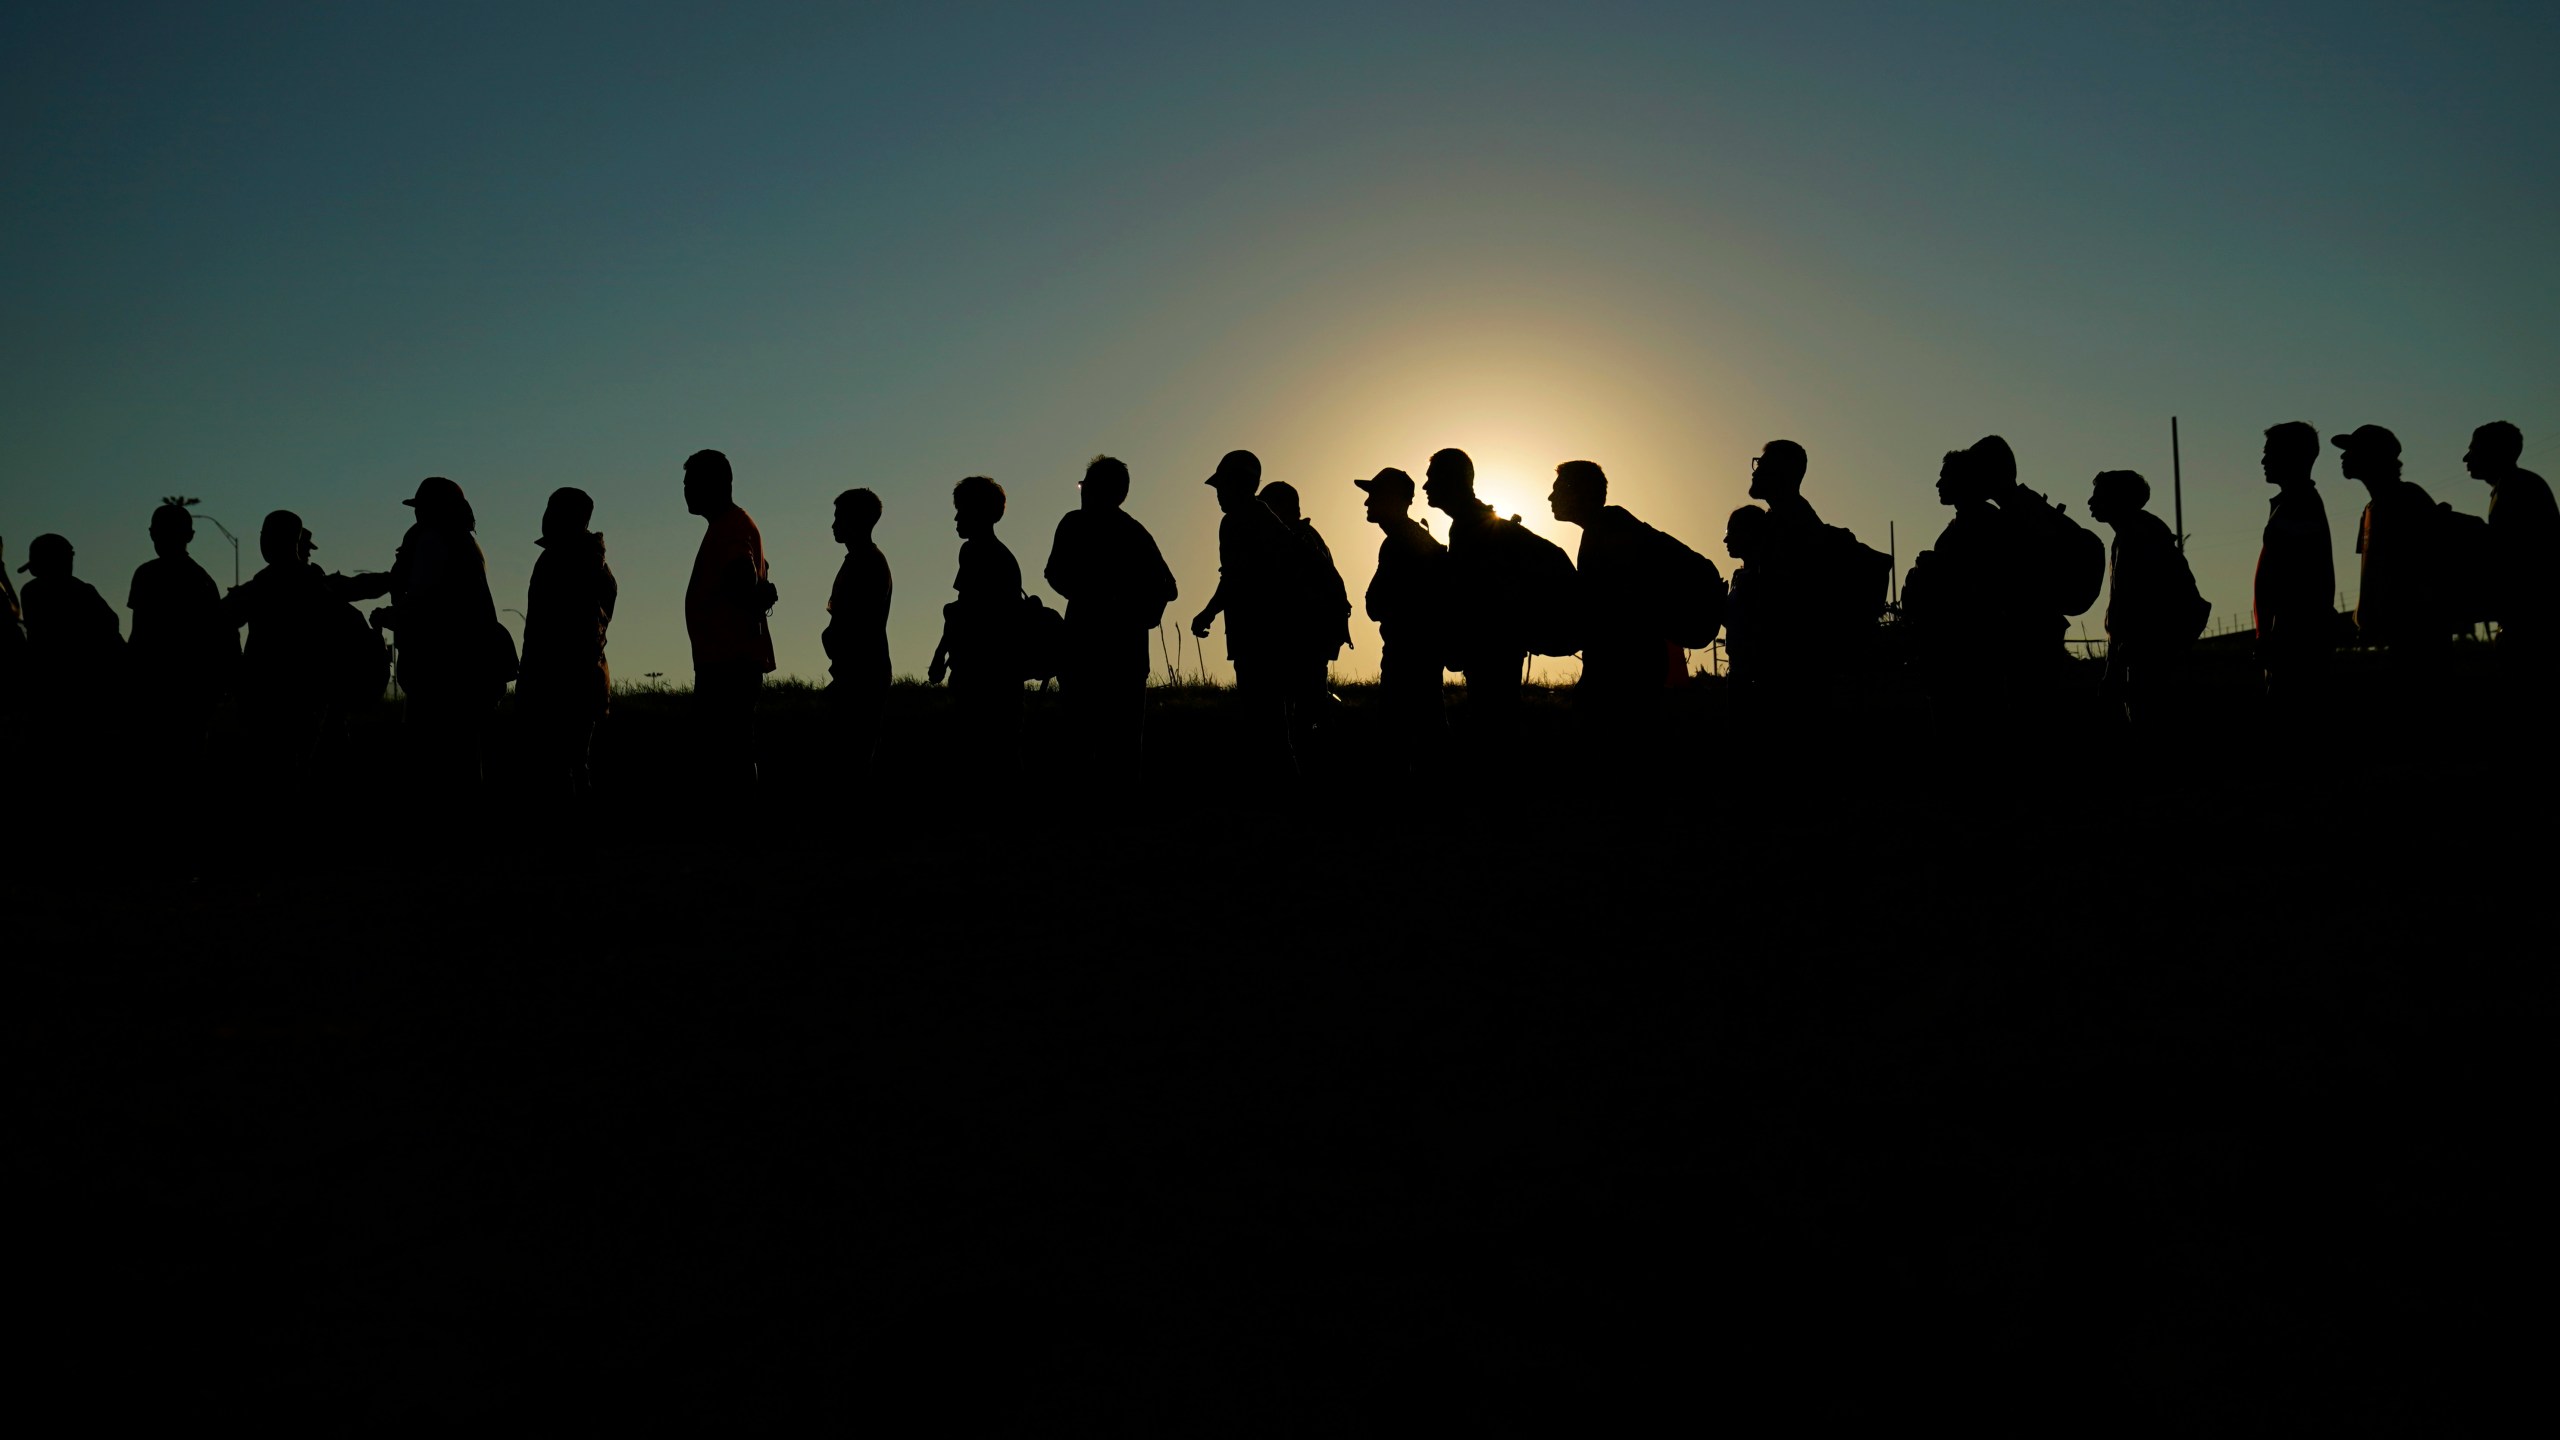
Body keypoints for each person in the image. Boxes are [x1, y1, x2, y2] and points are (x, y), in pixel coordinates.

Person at [220, 511, 392, 778]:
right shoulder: (314, 586)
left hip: (278, 705)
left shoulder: (265, 588)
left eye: (267, 536)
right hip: (305, 704)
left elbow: (218, 622)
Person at [1043, 456, 1176, 769]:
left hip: (1099, 656)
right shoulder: (1133, 532)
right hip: (1113, 656)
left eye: (1086, 486)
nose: (1083, 493)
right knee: (1116, 749)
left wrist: (1106, 601)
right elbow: (1168, 588)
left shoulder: (1078, 525)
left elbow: (1054, 573)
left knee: (1091, 746)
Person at [383, 476, 510, 791]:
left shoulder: (433, 540)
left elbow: (423, 597)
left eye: (422, 507)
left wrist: (391, 616)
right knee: (466, 759)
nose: (417, 514)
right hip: (474, 669)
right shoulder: (466, 543)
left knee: (434, 763)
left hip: (440, 672)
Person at [1546, 460, 1688, 727]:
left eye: (1558, 489)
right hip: (1635, 666)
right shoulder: (1609, 527)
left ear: (1580, 492)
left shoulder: (1608, 531)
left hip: (1624, 671)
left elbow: (1604, 609)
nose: (1551, 497)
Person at [1192, 450, 1305, 773]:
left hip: (1256, 637)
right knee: (1276, 722)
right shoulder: (1267, 519)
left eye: (1222, 486)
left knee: (1265, 724)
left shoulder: (1236, 521)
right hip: (1279, 636)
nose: (1218, 494)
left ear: (1239, 484)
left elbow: (1234, 577)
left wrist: (1207, 613)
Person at [1424, 447, 1538, 749]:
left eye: (1432, 478)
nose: (1425, 486)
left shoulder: (1473, 527)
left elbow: (1480, 597)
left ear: (1453, 480)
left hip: (1492, 651)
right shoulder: (1471, 523)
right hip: (1495, 650)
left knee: (1493, 732)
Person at [683, 448, 778, 793]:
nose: (686, 491)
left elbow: (742, 577)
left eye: (691, 483)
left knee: (726, 752)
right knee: (733, 747)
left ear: (714, 485)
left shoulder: (731, 529)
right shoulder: (732, 526)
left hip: (728, 661)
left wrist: (753, 594)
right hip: (727, 658)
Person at [2086, 470, 2207, 736]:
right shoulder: (2138, 535)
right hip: (2148, 652)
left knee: (2149, 725)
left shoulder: (2137, 539)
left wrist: (2114, 668)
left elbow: (2129, 609)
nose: (2091, 502)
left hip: (2147, 654)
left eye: (2099, 496)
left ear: (2118, 500)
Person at [518, 486, 617, 800]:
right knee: (572, 765)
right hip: (580, 682)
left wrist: (534, 680)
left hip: (559, 685)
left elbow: (554, 634)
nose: (546, 518)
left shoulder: (563, 562)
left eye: (553, 511)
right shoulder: (590, 564)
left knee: (559, 770)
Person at [2339, 425, 2451, 679]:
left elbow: (2427, 568)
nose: (2344, 456)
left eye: (2352, 450)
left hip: (2417, 635)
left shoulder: (2408, 499)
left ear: (2373, 457)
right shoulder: (2370, 510)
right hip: (2391, 636)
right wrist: (2365, 617)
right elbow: (2370, 572)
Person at [127, 503, 237, 758]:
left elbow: (139, 635)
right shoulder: (201, 580)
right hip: (188, 691)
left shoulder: (147, 575)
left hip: (160, 690)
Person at [2462, 420, 2556, 698]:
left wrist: (2468, 528)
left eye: (2473, 450)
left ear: (2494, 453)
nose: (2466, 458)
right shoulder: (2518, 485)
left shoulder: (2517, 487)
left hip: (2530, 624)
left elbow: (2512, 553)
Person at [930, 475, 1023, 753]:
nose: (956, 518)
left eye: (962, 510)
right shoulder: (999, 555)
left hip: (983, 673)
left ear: (979, 513)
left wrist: (939, 654)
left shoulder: (975, 552)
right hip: (1000, 673)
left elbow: (964, 610)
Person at [1357, 467, 1446, 756]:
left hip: (1408, 655)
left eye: (1374, 495)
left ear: (1393, 499)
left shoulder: (1400, 542)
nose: (1367, 502)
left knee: (1400, 739)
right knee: (1426, 731)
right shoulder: (1411, 538)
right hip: (1419, 653)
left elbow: (1376, 604)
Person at [15, 533, 124, 767]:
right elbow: (112, 634)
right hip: (83, 701)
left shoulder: (32, 593)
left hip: (48, 699)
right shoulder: (84, 594)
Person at [1254, 480, 1350, 744]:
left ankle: (1316, 753)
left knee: (1305, 704)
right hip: (1313, 636)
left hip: (1304, 636)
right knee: (1309, 699)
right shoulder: (1307, 537)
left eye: (1268, 506)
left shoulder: (1296, 540)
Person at [2252, 421, 2336, 718]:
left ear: (2292, 456)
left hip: (2294, 641)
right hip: (2290, 638)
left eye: (2269, 453)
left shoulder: (2298, 505)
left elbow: (2295, 579)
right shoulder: (2294, 503)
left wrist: (2275, 635)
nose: (2263, 460)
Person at [825, 487, 894, 777]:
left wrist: (833, 638)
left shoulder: (866, 562)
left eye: (839, 517)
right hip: (855, 672)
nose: (833, 525)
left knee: (851, 762)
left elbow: (858, 622)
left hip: (861, 674)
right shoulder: (861, 560)